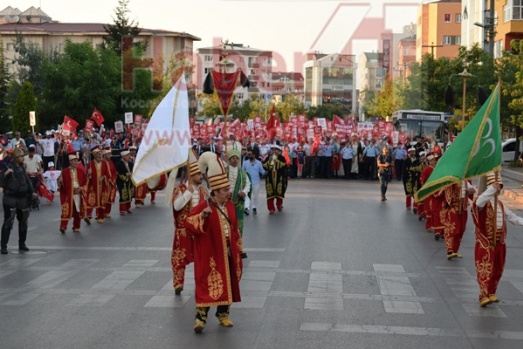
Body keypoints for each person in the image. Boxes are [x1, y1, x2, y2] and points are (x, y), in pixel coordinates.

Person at [184, 151, 243, 333]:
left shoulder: (231, 206)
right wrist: (202, 216)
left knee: (228, 283)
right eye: (225, 190)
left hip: (227, 252)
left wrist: (238, 246)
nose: (228, 193)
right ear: (216, 191)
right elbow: (188, 223)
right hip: (209, 252)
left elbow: (235, 229)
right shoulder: (205, 205)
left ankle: (223, 315)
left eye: (228, 189)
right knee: (206, 284)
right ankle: (200, 319)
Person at [472, 172, 523, 307]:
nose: (499, 189)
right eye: (497, 186)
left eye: (500, 186)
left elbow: (513, 218)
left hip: (500, 242)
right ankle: (483, 295)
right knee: (485, 269)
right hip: (486, 243)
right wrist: (491, 188)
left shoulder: (500, 204)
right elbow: (478, 202)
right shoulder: (483, 202)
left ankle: (491, 292)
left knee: (497, 268)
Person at [170, 150, 207, 295]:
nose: (201, 176)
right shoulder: (180, 190)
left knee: (202, 259)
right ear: (191, 175)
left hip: (199, 232)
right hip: (183, 232)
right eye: (199, 174)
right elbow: (176, 206)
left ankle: (201, 283)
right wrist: (188, 192)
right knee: (179, 259)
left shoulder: (204, 191)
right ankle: (178, 283)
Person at [0, 147, 36, 254]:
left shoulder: (21, 168)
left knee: (23, 221)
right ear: (16, 157)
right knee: (8, 221)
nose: (22, 158)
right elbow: (1, 182)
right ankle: (3, 245)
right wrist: (6, 174)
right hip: (10, 198)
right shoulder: (7, 167)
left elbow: (27, 181)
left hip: (22, 198)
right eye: (20, 156)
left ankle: (22, 243)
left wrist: (32, 191)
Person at [442, 181, 475, 260]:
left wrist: (470, 190)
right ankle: (449, 250)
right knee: (451, 228)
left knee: (461, 229)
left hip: (463, 207)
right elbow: (447, 193)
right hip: (453, 207)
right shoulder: (451, 180)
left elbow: (471, 191)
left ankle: (455, 250)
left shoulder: (467, 180)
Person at [58, 153, 88, 234]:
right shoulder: (64, 172)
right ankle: (63, 226)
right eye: (74, 160)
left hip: (78, 193)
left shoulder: (81, 171)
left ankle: (76, 226)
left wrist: (81, 188)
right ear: (70, 161)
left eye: (76, 160)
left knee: (77, 211)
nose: (76, 162)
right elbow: (60, 184)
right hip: (68, 194)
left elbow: (85, 182)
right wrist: (60, 182)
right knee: (65, 210)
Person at [226, 142, 251, 235]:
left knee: (238, 224)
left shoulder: (242, 172)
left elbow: (248, 184)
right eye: (233, 158)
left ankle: (238, 246)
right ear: (229, 159)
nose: (235, 160)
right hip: (226, 200)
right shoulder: (225, 171)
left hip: (239, 201)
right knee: (227, 223)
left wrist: (244, 192)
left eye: (237, 158)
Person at [85, 147, 109, 224]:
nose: (100, 155)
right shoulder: (90, 164)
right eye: (98, 154)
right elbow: (87, 176)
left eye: (101, 154)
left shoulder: (104, 163)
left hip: (102, 185)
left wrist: (104, 177)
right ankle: (89, 215)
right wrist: (88, 173)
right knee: (91, 200)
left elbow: (108, 174)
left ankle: (100, 216)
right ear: (95, 155)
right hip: (93, 186)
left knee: (102, 201)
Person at [263, 144, 288, 214]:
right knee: (270, 193)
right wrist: (269, 162)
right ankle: (271, 208)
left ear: (279, 151)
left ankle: (279, 204)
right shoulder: (268, 158)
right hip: (270, 178)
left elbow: (285, 166)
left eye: (276, 150)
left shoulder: (282, 158)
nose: (274, 151)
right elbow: (264, 167)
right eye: (273, 150)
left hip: (279, 178)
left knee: (279, 192)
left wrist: (278, 162)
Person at [242, 149, 265, 215]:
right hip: (247, 182)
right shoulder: (245, 163)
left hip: (256, 182)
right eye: (248, 154)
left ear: (254, 155)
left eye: (250, 154)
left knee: (255, 196)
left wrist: (265, 173)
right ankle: (246, 208)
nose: (249, 156)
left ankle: (254, 207)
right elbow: (243, 172)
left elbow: (262, 171)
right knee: (247, 195)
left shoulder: (258, 163)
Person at [116, 150, 134, 215]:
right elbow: (119, 174)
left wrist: (131, 174)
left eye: (129, 155)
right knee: (123, 195)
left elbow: (132, 171)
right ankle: (122, 210)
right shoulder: (119, 164)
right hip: (122, 182)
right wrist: (127, 175)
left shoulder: (130, 164)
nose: (129, 157)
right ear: (123, 156)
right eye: (127, 155)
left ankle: (128, 208)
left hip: (130, 181)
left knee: (130, 194)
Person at [102, 148, 118, 218]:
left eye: (110, 154)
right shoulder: (102, 163)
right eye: (108, 154)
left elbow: (114, 172)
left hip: (111, 183)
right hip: (105, 183)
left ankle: (107, 212)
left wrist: (112, 179)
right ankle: (100, 214)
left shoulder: (111, 162)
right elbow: (102, 174)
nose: (110, 156)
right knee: (103, 199)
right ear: (104, 155)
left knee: (110, 198)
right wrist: (107, 179)